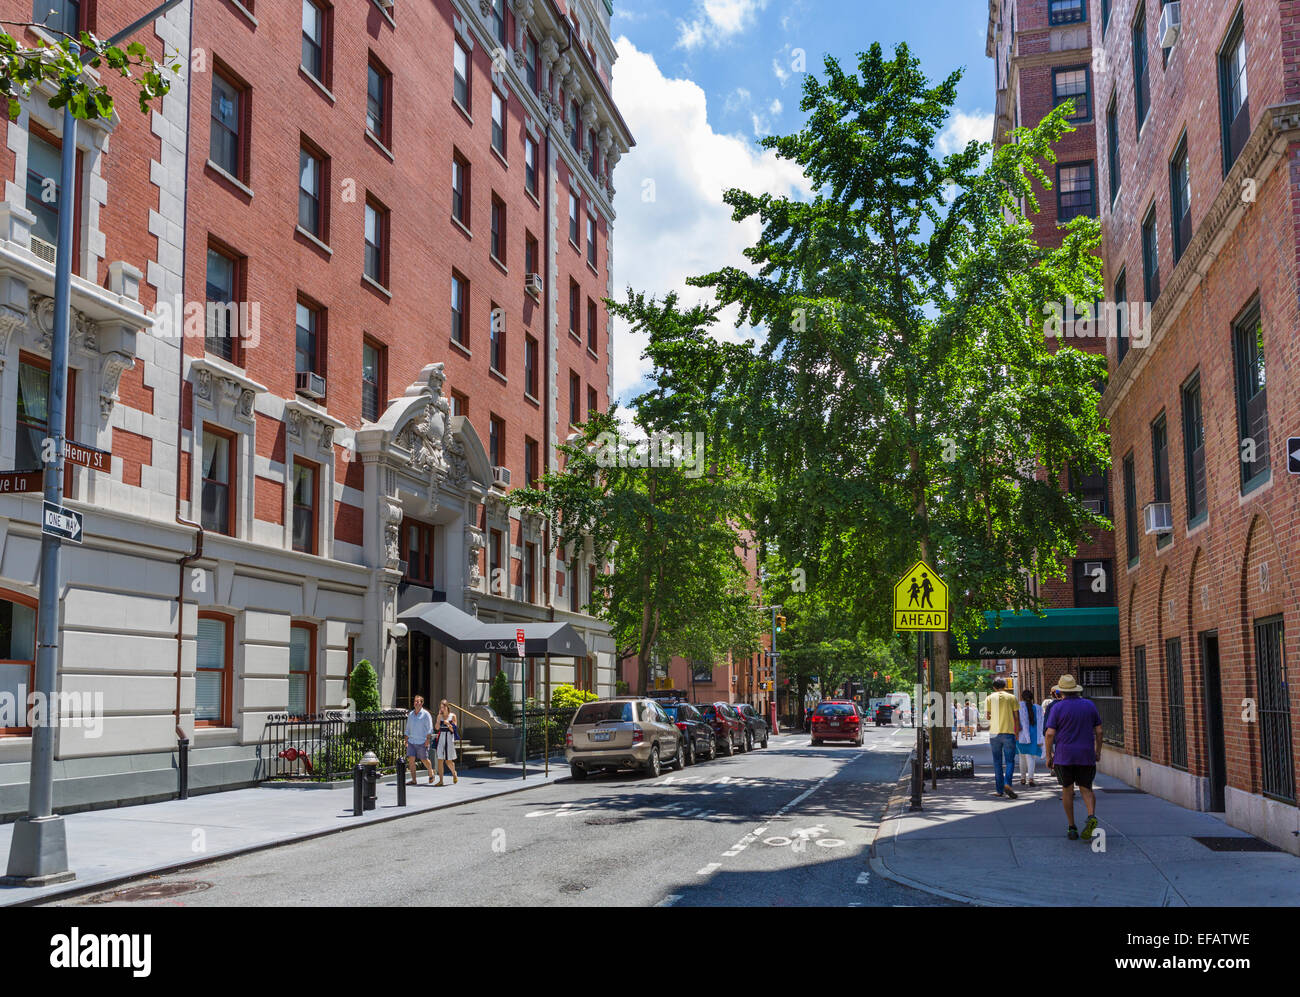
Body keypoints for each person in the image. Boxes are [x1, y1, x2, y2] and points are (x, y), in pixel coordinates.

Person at [1044, 674, 1104, 840]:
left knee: (1067, 790)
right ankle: (1091, 816)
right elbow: (1099, 731)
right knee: (1086, 788)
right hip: (1086, 754)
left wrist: (1048, 756)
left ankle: (1072, 827)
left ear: (1061, 691)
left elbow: (1049, 734)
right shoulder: (1089, 705)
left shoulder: (1057, 707)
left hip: (1064, 755)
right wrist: (1098, 751)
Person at [985, 677, 1018, 799]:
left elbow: (987, 716)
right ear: (1005, 686)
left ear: (994, 687)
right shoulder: (1012, 698)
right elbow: (1016, 717)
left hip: (994, 733)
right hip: (1009, 732)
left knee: (997, 762)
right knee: (1010, 761)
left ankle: (999, 790)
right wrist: (1017, 732)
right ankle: (1007, 784)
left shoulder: (989, 698)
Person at [1015, 688, 1044, 785]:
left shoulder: (1019, 706)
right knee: (1031, 757)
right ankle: (1031, 778)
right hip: (1034, 735)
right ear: (1032, 698)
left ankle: (1022, 778)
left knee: (1022, 757)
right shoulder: (1038, 708)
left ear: (1022, 697)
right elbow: (1041, 722)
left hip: (1021, 735)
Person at [405, 695, 435, 786]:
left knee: (424, 759)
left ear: (422, 703)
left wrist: (428, 739)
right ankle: (414, 780)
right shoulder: (411, 714)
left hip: (422, 741)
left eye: (418, 701)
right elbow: (408, 728)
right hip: (412, 741)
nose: (416, 703)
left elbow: (430, 728)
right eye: (415, 701)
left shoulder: (426, 714)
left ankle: (431, 772)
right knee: (411, 761)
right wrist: (406, 739)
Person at [433, 699, 459, 786]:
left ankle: (454, 773)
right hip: (441, 738)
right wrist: (439, 718)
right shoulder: (439, 716)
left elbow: (453, 730)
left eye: (443, 707)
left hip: (449, 738)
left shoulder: (453, 716)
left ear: (447, 707)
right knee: (440, 759)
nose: (442, 709)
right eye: (441, 707)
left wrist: (448, 724)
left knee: (448, 761)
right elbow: (436, 728)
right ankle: (441, 780)